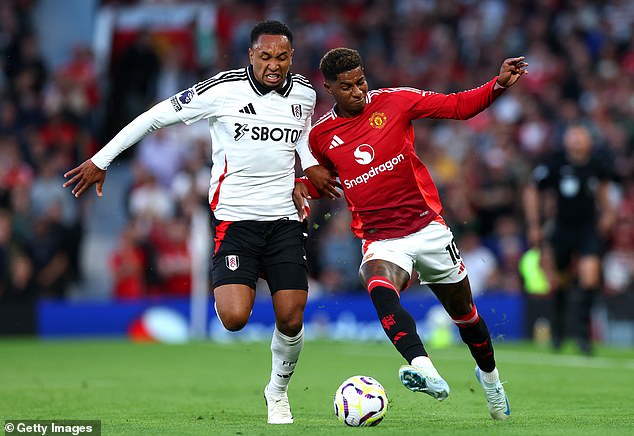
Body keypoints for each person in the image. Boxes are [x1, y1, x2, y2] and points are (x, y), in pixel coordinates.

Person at [63, 20, 335, 425]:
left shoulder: (305, 93)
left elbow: (299, 136)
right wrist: (102, 159)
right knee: (233, 318)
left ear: (292, 56)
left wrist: (308, 167)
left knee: (292, 315)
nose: (273, 65)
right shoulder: (220, 90)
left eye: (281, 57)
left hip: (282, 218)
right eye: (265, 57)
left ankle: (277, 393)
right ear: (251, 55)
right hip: (235, 222)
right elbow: (154, 117)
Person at [296, 48, 527, 420]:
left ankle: (491, 381)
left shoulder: (396, 101)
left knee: (466, 316)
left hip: (428, 229)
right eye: (346, 86)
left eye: (361, 82)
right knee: (378, 286)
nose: (357, 91)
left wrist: (498, 85)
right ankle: (427, 371)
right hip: (381, 239)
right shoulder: (321, 135)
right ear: (329, 88)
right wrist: (303, 183)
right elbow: (326, 182)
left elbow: (457, 106)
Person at [523, 123, 616, 355]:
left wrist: (608, 214)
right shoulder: (555, 163)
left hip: (587, 229)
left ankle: (583, 336)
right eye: (572, 136)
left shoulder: (597, 164)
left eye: (580, 136)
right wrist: (534, 224)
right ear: (566, 141)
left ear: (588, 142)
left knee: (589, 277)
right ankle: (558, 331)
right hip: (561, 229)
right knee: (561, 280)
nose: (576, 140)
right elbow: (532, 189)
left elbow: (604, 191)